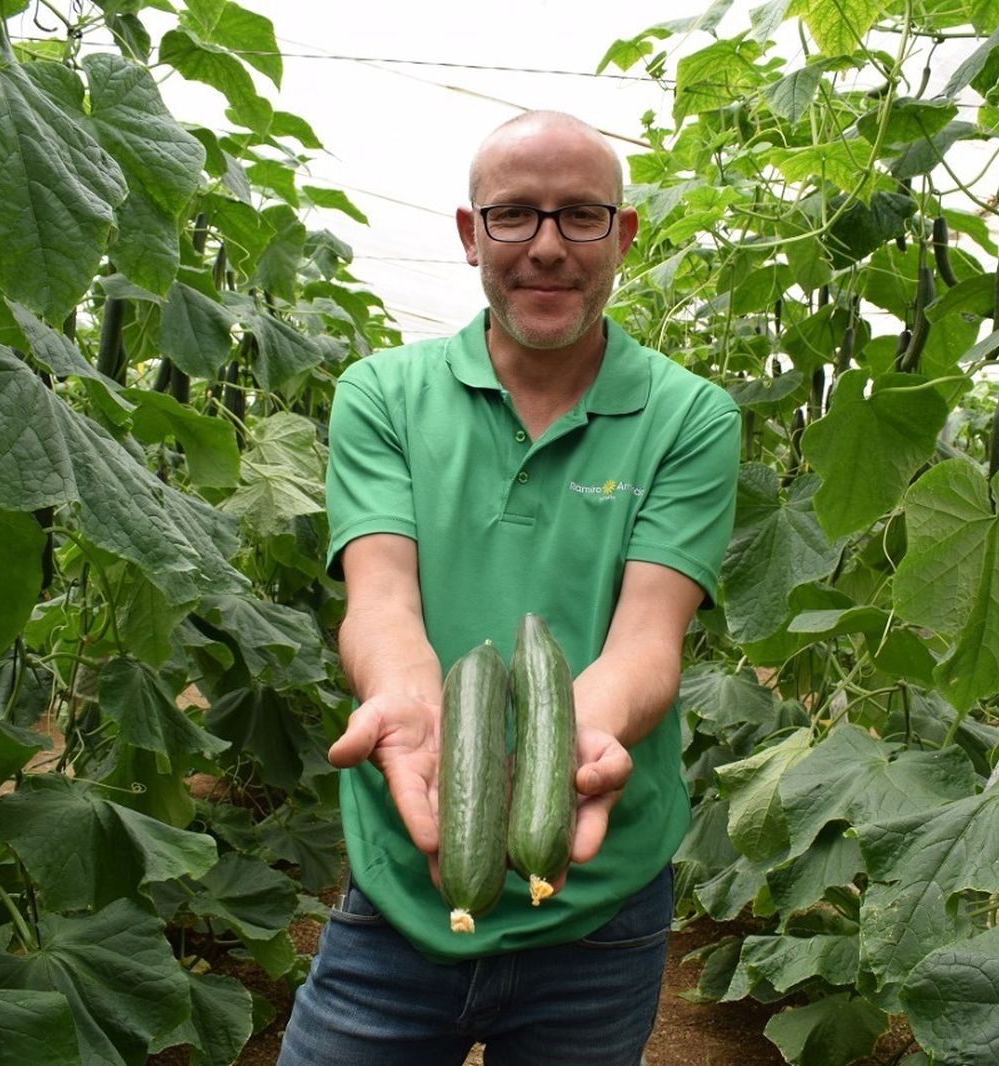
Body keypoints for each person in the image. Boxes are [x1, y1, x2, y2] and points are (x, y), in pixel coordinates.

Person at [277, 110, 740, 1065]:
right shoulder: (381, 394)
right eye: (514, 216)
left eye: (579, 216)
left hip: (601, 906)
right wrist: (406, 695)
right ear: (468, 233)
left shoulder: (691, 416)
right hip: (402, 879)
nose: (546, 247)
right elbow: (381, 601)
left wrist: (570, 746)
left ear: (624, 233)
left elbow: (649, 638)